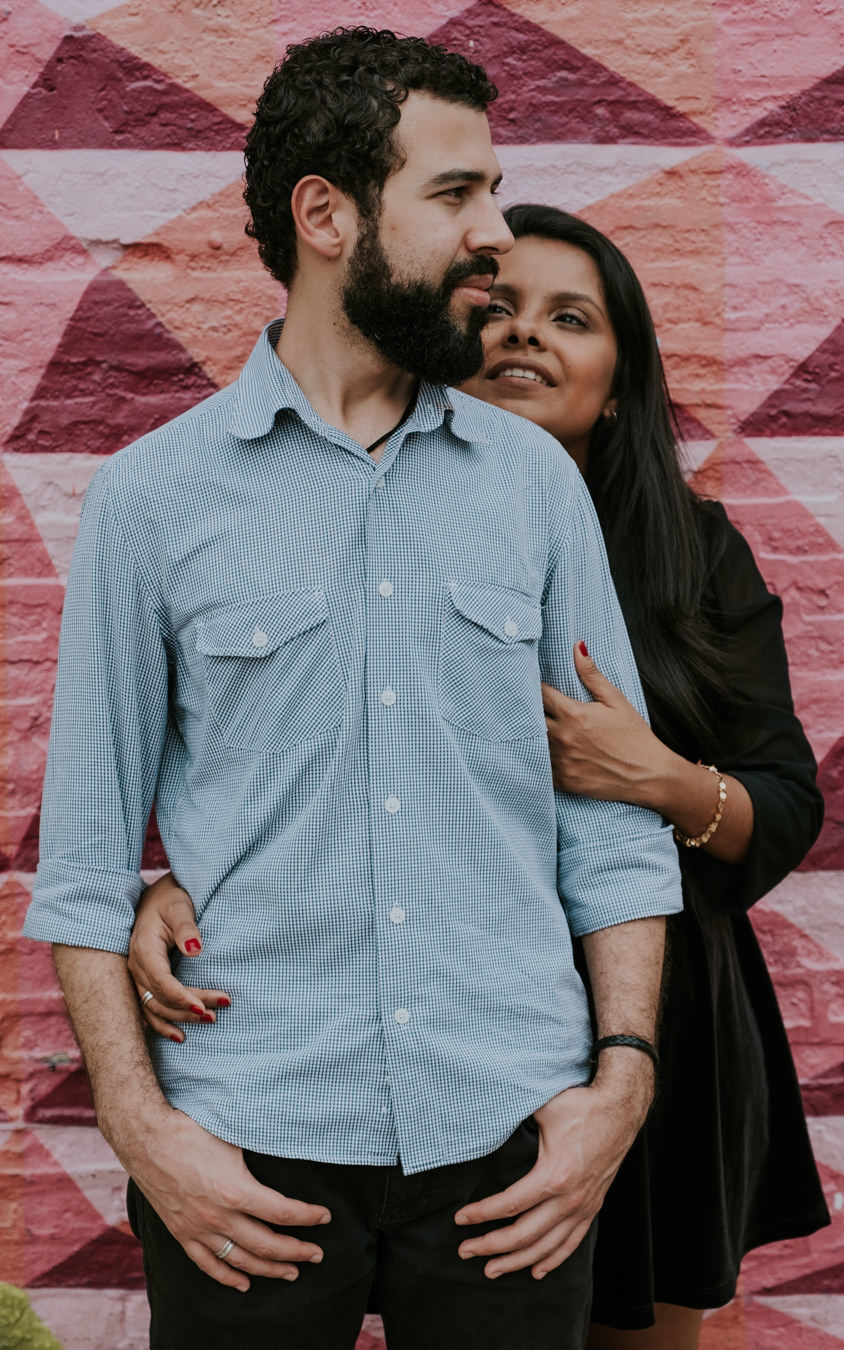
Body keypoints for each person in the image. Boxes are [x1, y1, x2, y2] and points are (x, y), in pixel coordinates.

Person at [23, 31, 686, 1350]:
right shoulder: (153, 502)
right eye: (456, 196)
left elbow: (611, 829)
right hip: (247, 1143)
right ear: (326, 215)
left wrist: (618, 1084)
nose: (493, 232)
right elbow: (86, 866)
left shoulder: (533, 486)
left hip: (510, 1139)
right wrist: (147, 1133)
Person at [131, 204, 830, 1349]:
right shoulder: (344, 515)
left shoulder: (689, 551)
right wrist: (192, 876)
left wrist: (654, 777)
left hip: (647, 1014)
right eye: (501, 310)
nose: (523, 338)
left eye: (571, 318)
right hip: (398, 1025)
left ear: (622, 377)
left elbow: (788, 803)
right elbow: (305, 749)